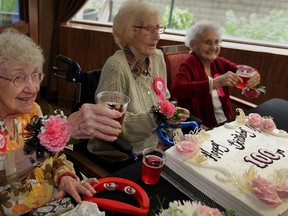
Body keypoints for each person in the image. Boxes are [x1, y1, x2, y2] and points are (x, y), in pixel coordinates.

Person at [0, 28, 123, 215]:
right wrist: (63, 131)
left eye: (36, 75)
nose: (33, 88)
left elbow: (56, 156)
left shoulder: (32, 111)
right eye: (19, 77)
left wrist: (65, 177)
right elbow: (4, 170)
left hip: (55, 204)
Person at [86, 1, 190, 171]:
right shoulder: (116, 67)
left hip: (157, 143)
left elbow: (164, 99)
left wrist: (172, 113)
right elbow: (113, 127)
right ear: (129, 31)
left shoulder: (157, 57)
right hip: (120, 155)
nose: (157, 36)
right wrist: (159, 117)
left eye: (158, 28)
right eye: (149, 29)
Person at [171, 21, 261, 128]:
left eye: (217, 42)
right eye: (208, 42)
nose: (213, 47)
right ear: (193, 45)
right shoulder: (189, 64)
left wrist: (254, 74)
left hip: (227, 123)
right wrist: (213, 83)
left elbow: (240, 69)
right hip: (202, 127)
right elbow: (177, 89)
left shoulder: (218, 62)